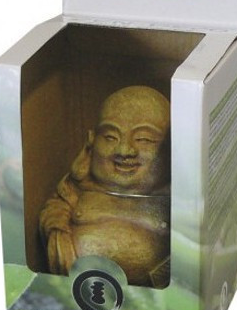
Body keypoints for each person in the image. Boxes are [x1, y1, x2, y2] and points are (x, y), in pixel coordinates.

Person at [39, 86, 171, 287]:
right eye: (110, 137)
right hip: (72, 286)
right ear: (92, 141)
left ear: (170, 148)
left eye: (144, 139)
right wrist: (60, 239)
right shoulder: (77, 189)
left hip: (149, 294)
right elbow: (54, 212)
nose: (124, 150)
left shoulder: (176, 201)